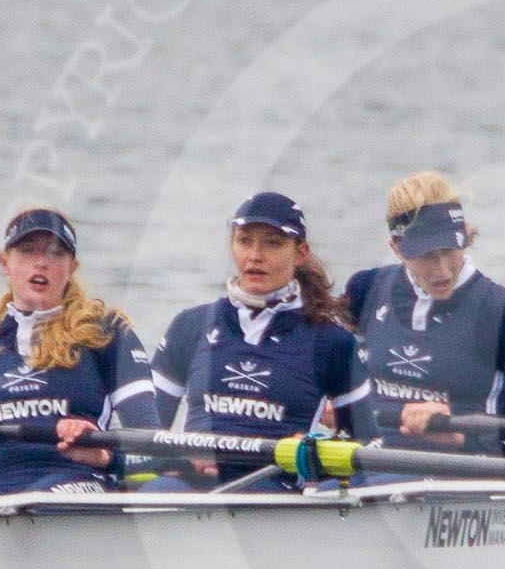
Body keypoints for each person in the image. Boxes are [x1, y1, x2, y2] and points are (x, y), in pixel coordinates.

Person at [151, 192, 369, 485]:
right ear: (232, 246)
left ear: (300, 253)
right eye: (244, 241)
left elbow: (365, 445)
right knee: (161, 487)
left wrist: (318, 450)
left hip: (274, 488)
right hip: (193, 483)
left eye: (273, 243)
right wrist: (179, 455)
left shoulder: (332, 341)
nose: (255, 256)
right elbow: (146, 431)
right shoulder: (189, 326)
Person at [0, 208, 160, 498]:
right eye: (28, 251)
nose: (41, 262)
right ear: (5, 263)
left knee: (44, 498)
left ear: (72, 267)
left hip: (74, 485)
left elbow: (154, 453)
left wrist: (104, 456)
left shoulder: (106, 335)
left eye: (56, 254)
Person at [345, 171, 505, 447]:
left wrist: (458, 434)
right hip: (372, 468)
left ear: (463, 235)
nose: (442, 270)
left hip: (464, 476)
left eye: (449, 251)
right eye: (427, 256)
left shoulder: (504, 312)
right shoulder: (365, 289)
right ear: (396, 248)